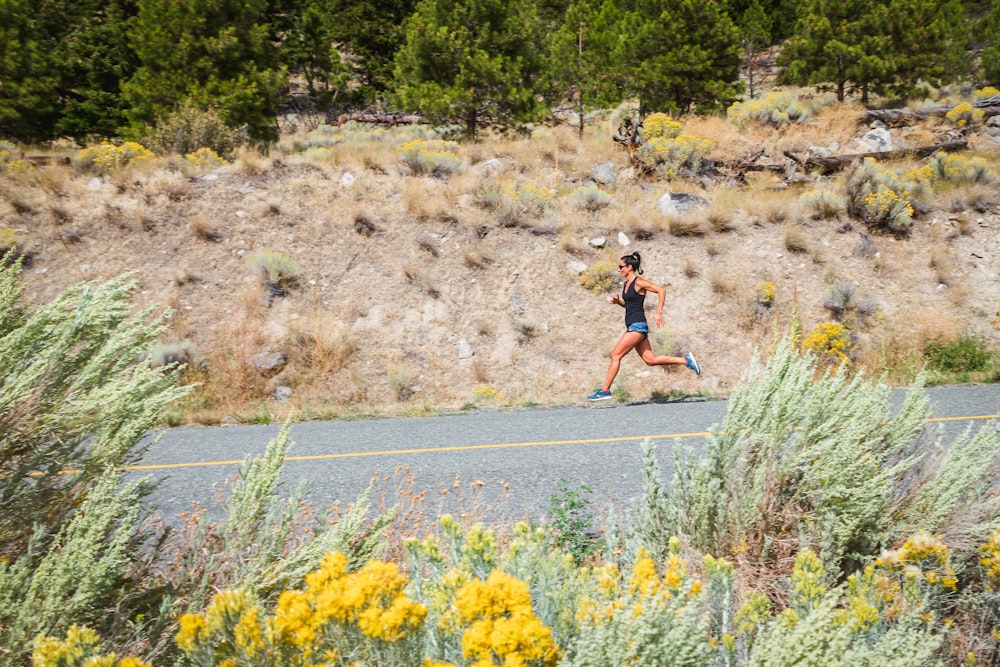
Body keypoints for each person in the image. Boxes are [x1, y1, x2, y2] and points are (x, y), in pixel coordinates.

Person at [588, 251, 700, 401]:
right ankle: (686, 360)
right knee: (650, 360)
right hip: (634, 325)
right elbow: (630, 306)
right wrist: (618, 302)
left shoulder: (639, 282)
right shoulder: (627, 284)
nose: (618, 269)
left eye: (621, 267)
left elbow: (661, 290)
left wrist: (658, 312)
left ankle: (605, 390)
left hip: (637, 326)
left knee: (615, 355)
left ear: (629, 267)